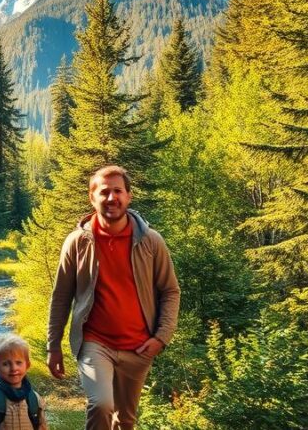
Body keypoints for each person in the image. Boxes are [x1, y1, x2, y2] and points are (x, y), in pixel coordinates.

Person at [46, 165, 180, 430]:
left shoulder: (150, 242)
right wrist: (54, 345)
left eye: (118, 191)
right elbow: (61, 296)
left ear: (128, 196)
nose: (111, 198)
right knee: (101, 404)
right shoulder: (77, 242)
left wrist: (161, 337)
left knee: (126, 420)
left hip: (139, 346)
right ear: (92, 197)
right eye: (104, 192)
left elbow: (170, 290)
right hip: (95, 342)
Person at [0, 334, 49, 430]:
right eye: (6, 364)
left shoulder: (34, 399)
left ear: (28, 365)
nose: (14, 368)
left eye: (18, 362)